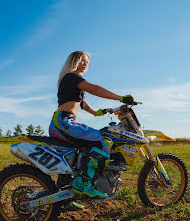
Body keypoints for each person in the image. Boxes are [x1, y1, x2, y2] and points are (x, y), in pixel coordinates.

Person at [49, 51, 134, 198]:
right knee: (101, 139)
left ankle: (66, 195)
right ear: (74, 61)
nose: (86, 63)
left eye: (87, 61)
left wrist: (100, 112)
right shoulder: (72, 77)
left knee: (76, 156)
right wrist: (120, 98)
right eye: (83, 60)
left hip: (64, 122)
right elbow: (95, 89)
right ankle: (85, 184)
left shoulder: (72, 82)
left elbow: (85, 106)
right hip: (63, 122)